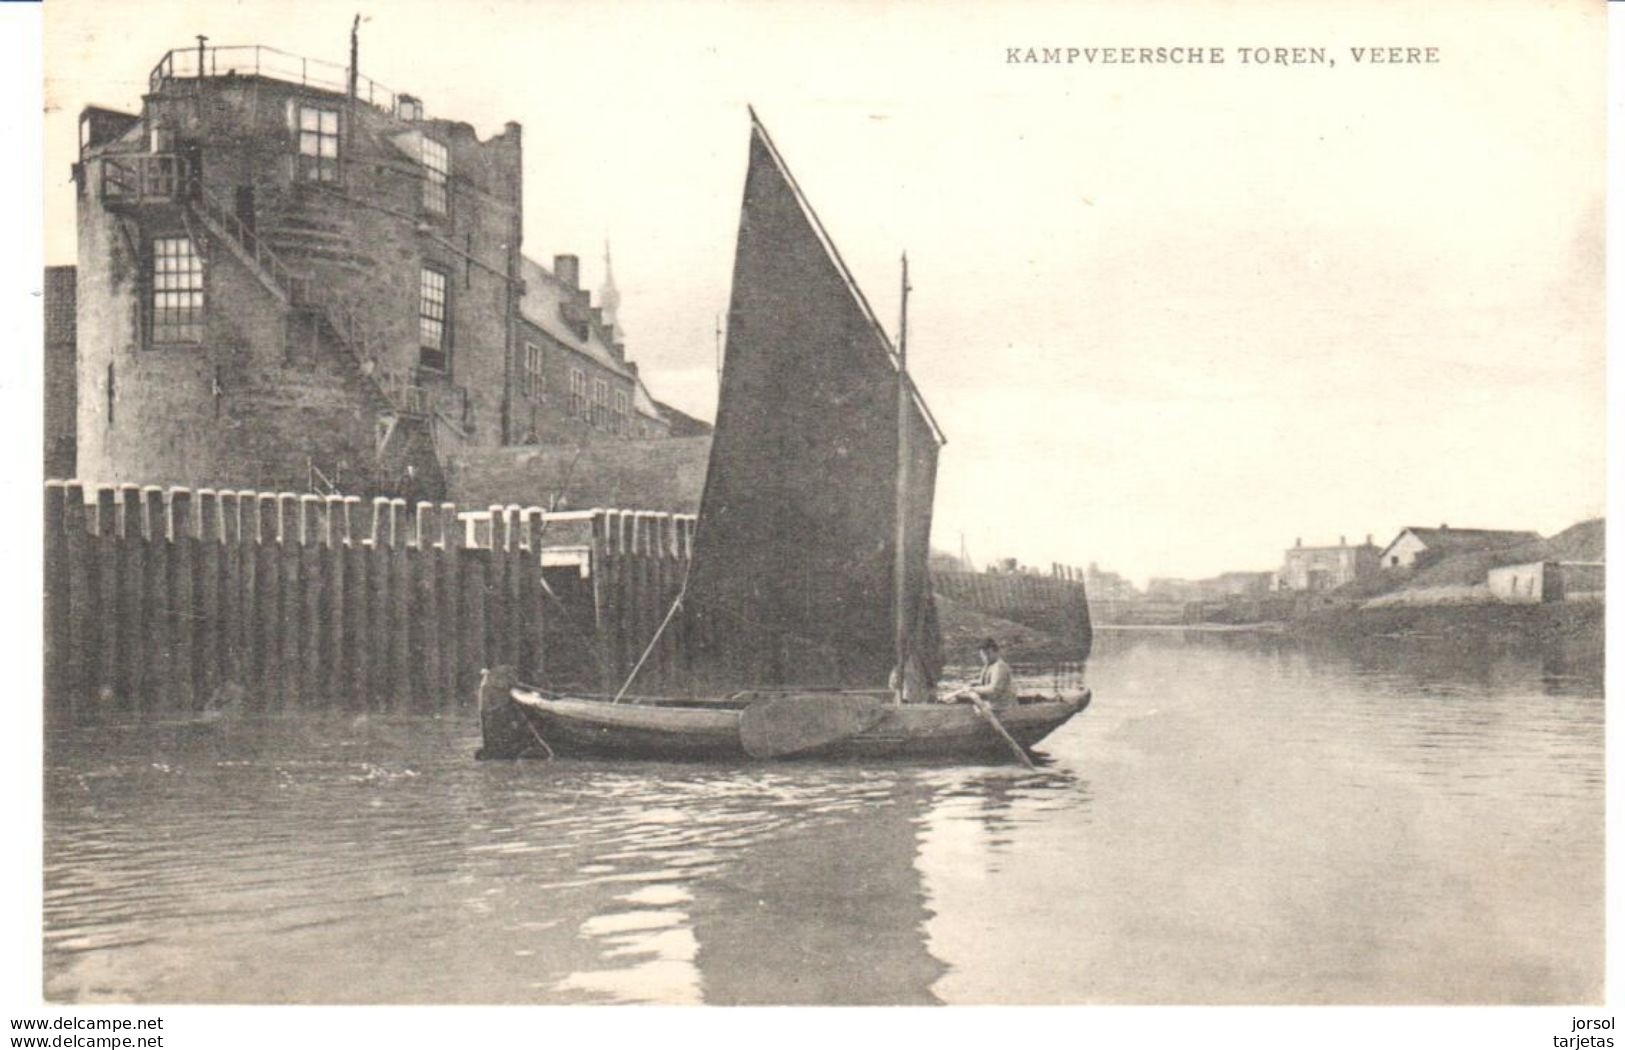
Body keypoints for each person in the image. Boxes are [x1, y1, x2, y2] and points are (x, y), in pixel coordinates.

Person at [945, 638, 1015, 709]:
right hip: (991, 702)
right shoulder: (988, 665)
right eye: (983, 655)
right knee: (958, 698)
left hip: (1002, 706)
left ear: (996, 652)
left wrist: (973, 689)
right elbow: (983, 683)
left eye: (988, 654)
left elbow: (993, 689)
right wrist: (972, 684)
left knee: (964, 701)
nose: (986, 657)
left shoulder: (1000, 666)